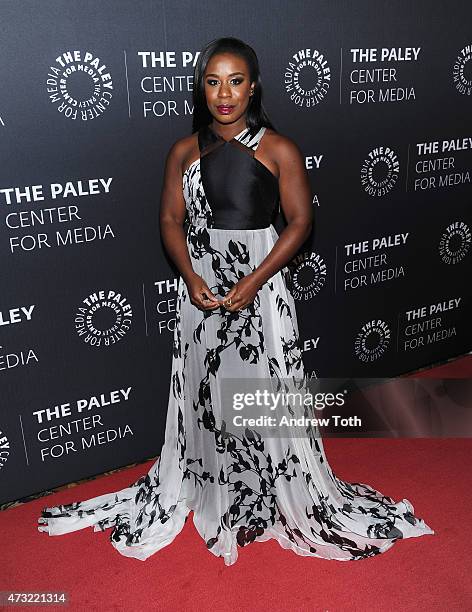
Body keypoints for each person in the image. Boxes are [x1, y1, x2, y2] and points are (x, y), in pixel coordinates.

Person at [38, 37, 434, 565]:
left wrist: (254, 280)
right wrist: (189, 274)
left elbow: (300, 222)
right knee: (206, 392)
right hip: (200, 285)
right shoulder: (182, 151)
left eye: (236, 80)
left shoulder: (279, 148)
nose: (224, 93)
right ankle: (215, 489)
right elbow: (169, 220)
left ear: (254, 86)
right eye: (213, 81)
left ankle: (272, 489)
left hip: (262, 285)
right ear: (201, 87)